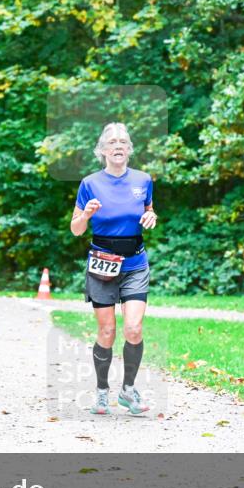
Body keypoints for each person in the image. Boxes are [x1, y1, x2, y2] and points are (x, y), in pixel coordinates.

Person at [70, 123, 157, 416]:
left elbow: (148, 210)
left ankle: (128, 390)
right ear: (103, 150)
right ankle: (101, 393)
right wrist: (86, 214)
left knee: (133, 328)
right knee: (107, 330)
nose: (118, 146)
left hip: (134, 262)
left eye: (123, 142)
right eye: (112, 142)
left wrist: (151, 217)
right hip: (102, 263)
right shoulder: (90, 183)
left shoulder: (143, 180)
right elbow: (76, 229)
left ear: (129, 149)